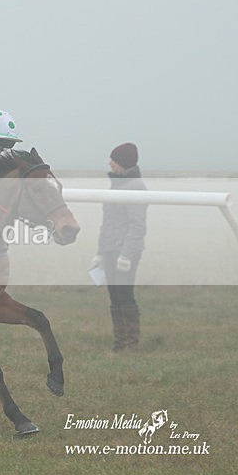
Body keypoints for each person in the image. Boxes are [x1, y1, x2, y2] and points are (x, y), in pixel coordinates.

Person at [91, 142, 148, 352]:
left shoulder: (136, 187)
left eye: (113, 160)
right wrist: (100, 252)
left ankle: (131, 343)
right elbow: (107, 223)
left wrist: (126, 255)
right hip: (109, 250)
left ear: (123, 162)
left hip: (124, 252)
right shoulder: (116, 185)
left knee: (125, 295)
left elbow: (137, 225)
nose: (110, 163)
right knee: (114, 296)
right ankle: (119, 342)